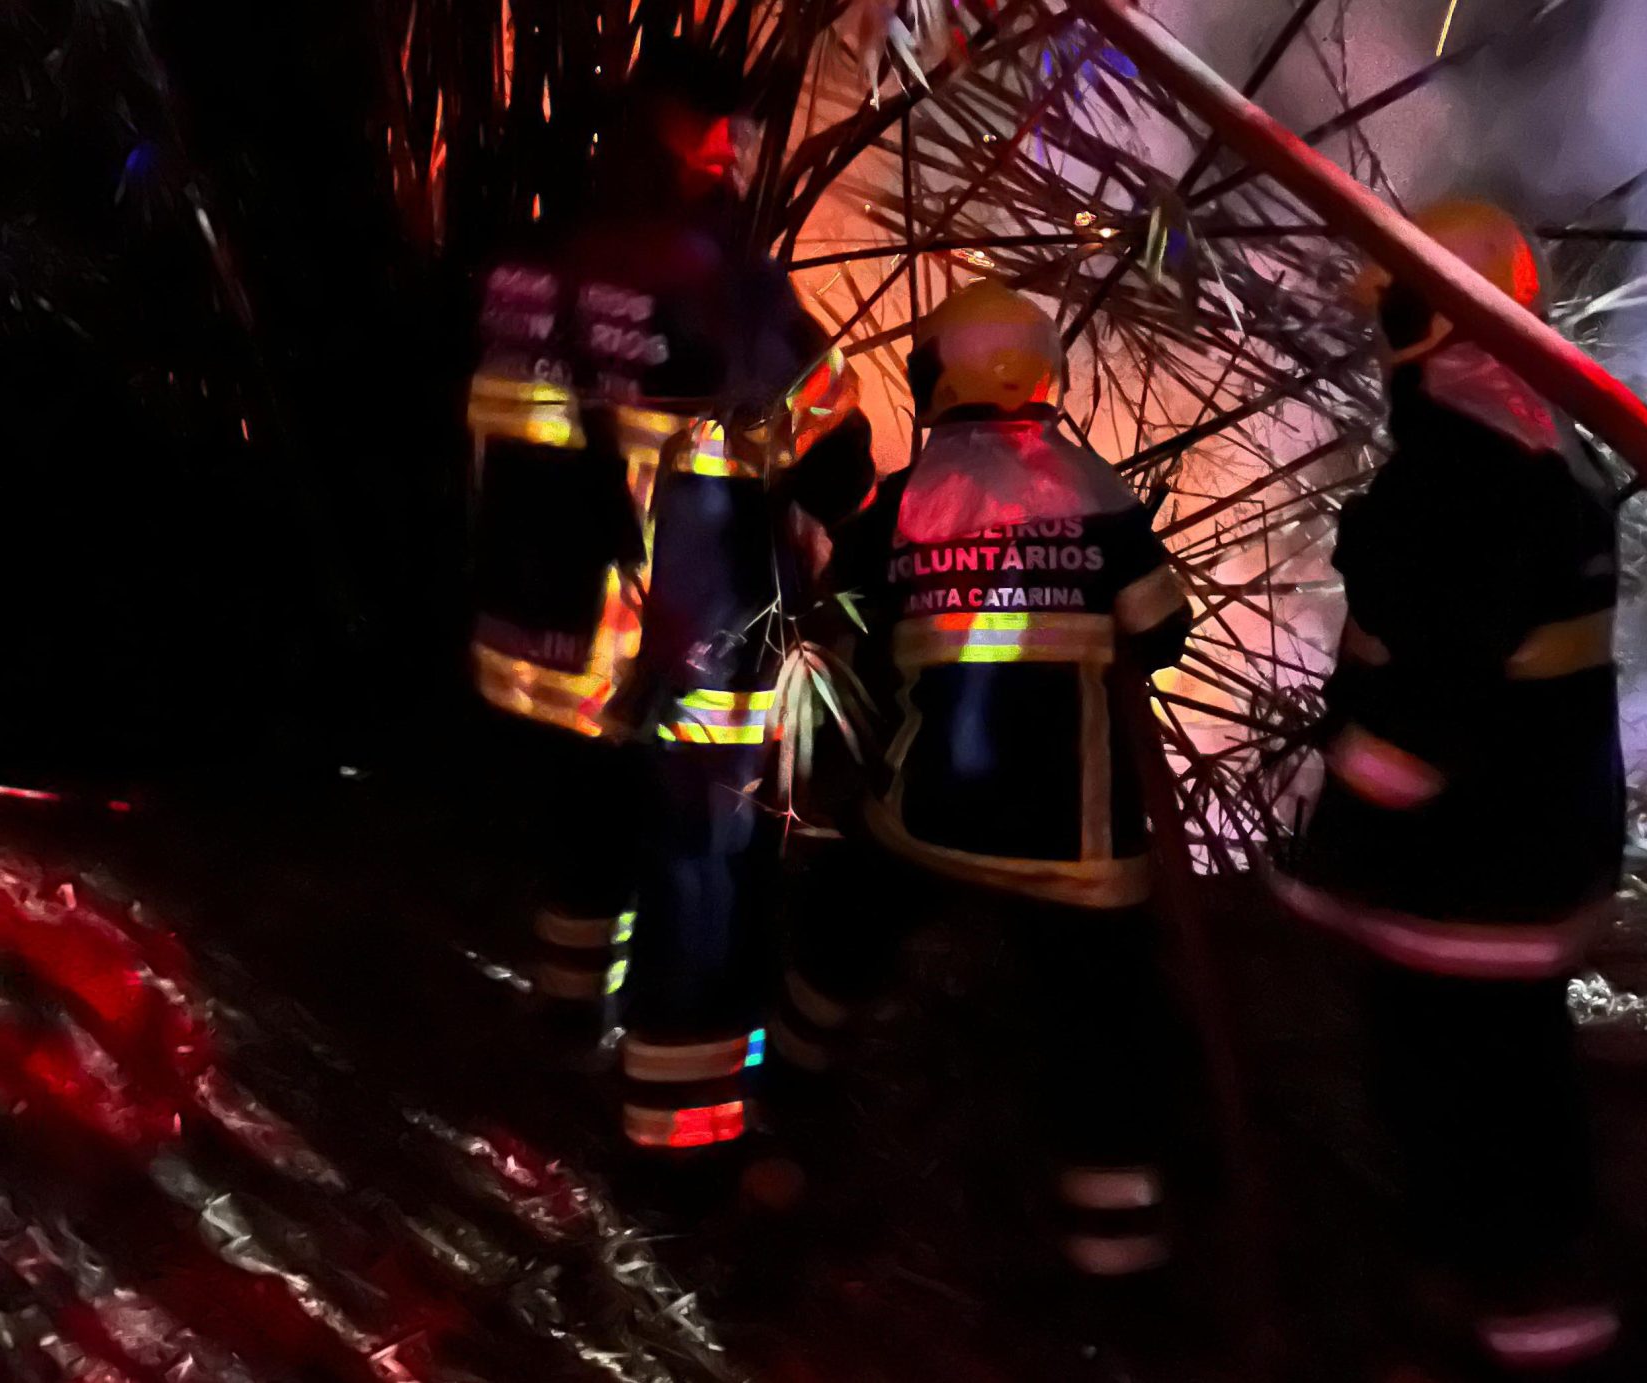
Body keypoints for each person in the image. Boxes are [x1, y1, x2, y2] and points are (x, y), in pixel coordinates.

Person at [464, 39, 873, 1154]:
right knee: (702, 875)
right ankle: (681, 1137)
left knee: (582, 837)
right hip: (674, 653)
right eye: (727, 146)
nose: (737, 165)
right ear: (705, 155)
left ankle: (564, 1026)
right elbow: (840, 468)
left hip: (532, 640)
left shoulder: (519, 276)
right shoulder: (731, 299)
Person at [1268, 201, 1626, 1378]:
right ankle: (1520, 1296)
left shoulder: (1465, 472)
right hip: (1534, 836)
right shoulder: (1538, 437)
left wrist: (1338, 827)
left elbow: (1426, 692)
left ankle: (1505, 1315)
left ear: (1423, 316)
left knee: (1450, 1087)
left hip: (1462, 856)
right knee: (1514, 1070)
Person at [775, 279, 1195, 1278]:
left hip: (930, 817)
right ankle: (1116, 1257)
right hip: (1077, 850)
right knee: (1103, 1028)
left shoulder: (903, 504)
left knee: (837, 928)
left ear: (937, 379)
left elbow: (854, 627)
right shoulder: (1097, 495)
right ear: (1040, 376)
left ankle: (787, 1100)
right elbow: (1162, 631)